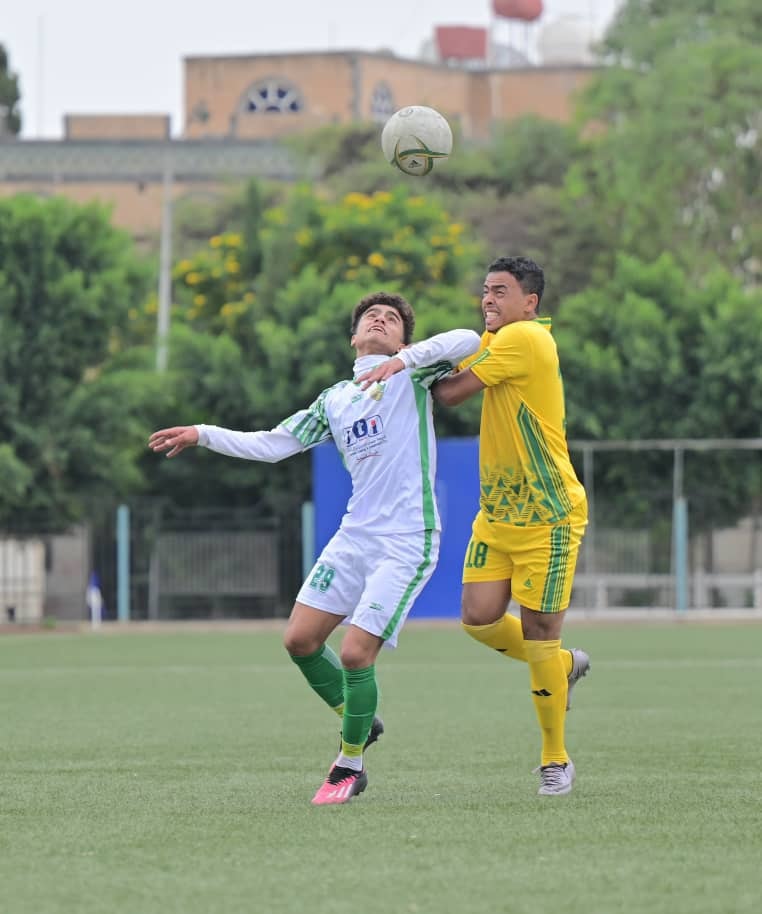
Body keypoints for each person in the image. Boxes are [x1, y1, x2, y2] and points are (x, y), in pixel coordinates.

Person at [149, 291, 480, 806]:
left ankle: (349, 765)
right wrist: (202, 433)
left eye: (393, 320)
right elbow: (272, 444)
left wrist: (403, 360)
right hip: (354, 537)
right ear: (354, 337)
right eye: (372, 316)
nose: (380, 319)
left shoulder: (413, 375)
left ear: (403, 340)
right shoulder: (335, 400)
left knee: (353, 652)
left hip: (406, 538)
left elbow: (470, 339)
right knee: (299, 641)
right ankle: (361, 721)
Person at [358, 257, 589, 796]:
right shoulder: (495, 339)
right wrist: (417, 360)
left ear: (530, 303)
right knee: (479, 619)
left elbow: (450, 392)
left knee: (537, 634)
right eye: (485, 291)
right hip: (499, 515)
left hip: (549, 517)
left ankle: (555, 758)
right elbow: (453, 360)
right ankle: (563, 666)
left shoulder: (526, 338)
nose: (489, 300)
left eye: (501, 292)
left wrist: (404, 363)